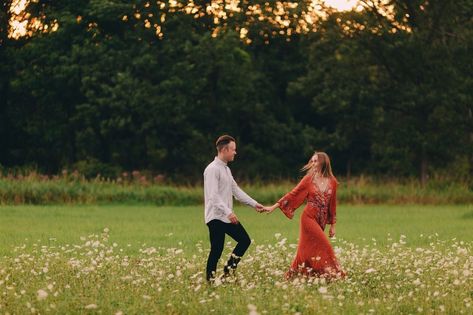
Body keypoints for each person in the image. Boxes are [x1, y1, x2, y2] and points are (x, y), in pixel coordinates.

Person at [264, 151, 345, 279]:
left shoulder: (332, 181)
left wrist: (333, 226)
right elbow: (293, 194)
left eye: (315, 161)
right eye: (311, 161)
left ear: (323, 162)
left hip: (321, 220)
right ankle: (334, 274)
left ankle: (298, 275)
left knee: (306, 249)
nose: (313, 164)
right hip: (308, 217)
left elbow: (332, 204)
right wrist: (274, 206)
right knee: (325, 244)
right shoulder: (309, 179)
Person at [204, 135, 264, 282]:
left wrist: (254, 204)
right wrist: (228, 212)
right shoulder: (212, 169)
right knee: (217, 250)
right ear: (224, 150)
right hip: (216, 217)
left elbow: (236, 191)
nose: (235, 152)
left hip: (226, 216)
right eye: (233, 149)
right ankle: (210, 281)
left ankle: (228, 271)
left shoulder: (226, 170)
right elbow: (213, 196)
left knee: (244, 240)